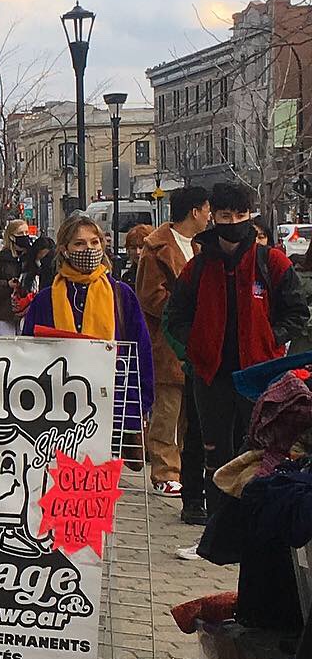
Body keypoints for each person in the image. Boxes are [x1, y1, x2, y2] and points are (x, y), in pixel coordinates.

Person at [166, 181, 310, 517]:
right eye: (226, 215)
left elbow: (297, 312)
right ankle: (217, 526)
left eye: (241, 214)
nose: (234, 221)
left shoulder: (271, 262)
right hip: (211, 374)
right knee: (214, 452)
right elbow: (175, 316)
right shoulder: (198, 267)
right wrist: (193, 347)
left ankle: (252, 523)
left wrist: (271, 338)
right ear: (214, 216)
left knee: (258, 451)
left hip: (260, 374)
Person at [21, 217, 155, 441]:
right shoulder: (46, 299)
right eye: (79, 244)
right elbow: (27, 353)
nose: (89, 249)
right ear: (64, 249)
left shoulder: (121, 295)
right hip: (56, 412)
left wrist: (138, 407)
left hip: (113, 408)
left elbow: (141, 352)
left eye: (94, 242)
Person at [136, 187, 210, 506]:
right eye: (207, 209)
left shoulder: (201, 246)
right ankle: (165, 472)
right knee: (167, 410)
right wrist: (186, 308)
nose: (210, 216)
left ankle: (185, 470)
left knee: (190, 413)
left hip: (197, 341)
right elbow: (150, 297)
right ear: (194, 211)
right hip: (168, 341)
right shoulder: (157, 249)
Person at [0, 218, 31, 336]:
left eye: (26, 233)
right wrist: (7, 284)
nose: (24, 236)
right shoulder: (1, 258)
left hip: (28, 312)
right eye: (20, 233)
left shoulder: (31, 257)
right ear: (11, 237)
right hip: (4, 313)